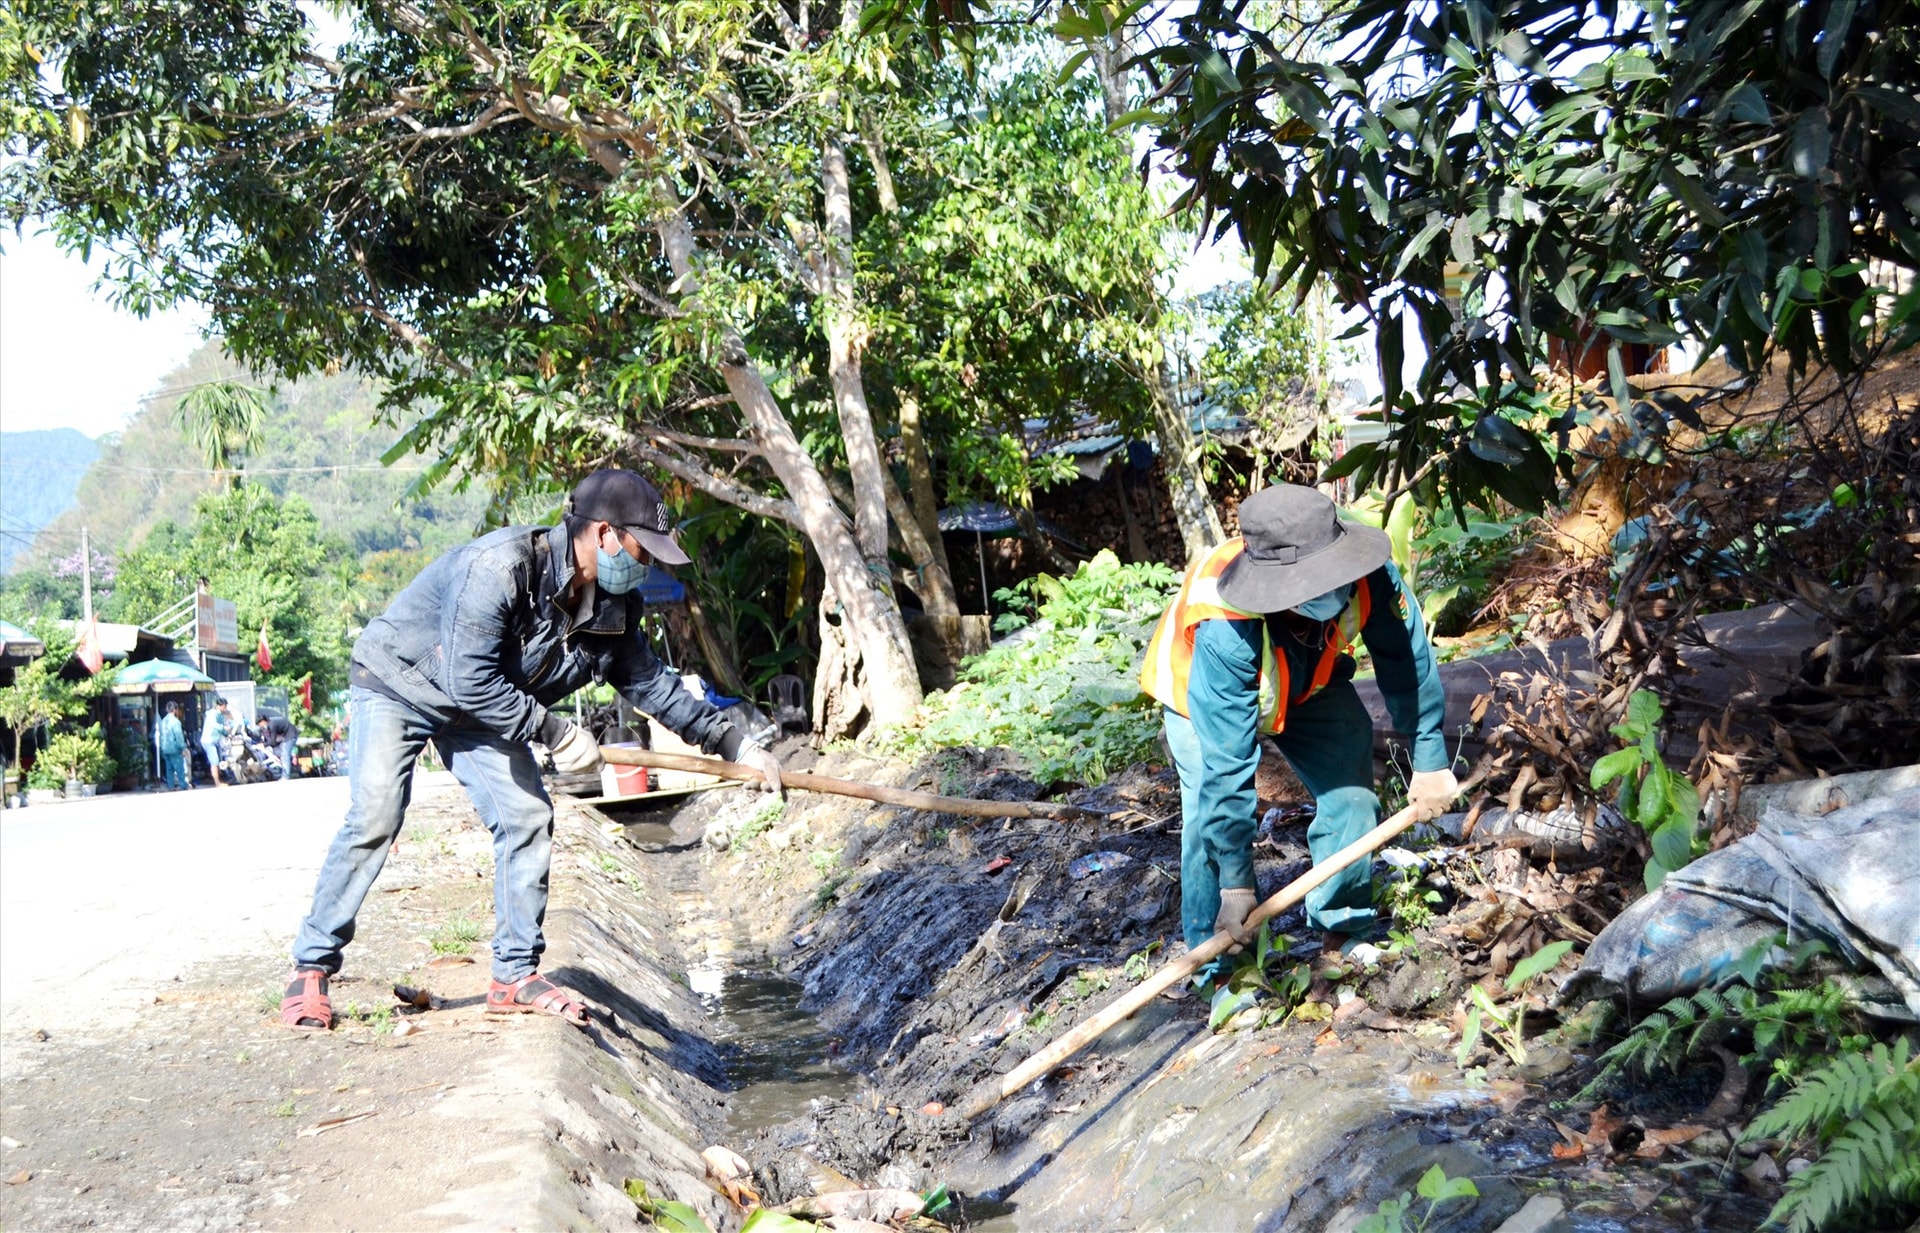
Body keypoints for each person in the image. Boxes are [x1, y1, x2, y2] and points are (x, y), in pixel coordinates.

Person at [281, 469, 785, 1030]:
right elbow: (468, 679)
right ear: (603, 535)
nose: (646, 567)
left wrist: (738, 746)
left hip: (482, 708)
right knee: (377, 814)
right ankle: (311, 967)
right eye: (643, 551)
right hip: (402, 681)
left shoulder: (614, 609)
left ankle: (514, 976)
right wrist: (557, 732)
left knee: (526, 816)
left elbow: (654, 686)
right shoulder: (499, 569)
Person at [1140, 484, 1458, 987]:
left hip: (1308, 677)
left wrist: (1430, 756)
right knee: (1207, 814)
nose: (1325, 591)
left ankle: (1343, 930)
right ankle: (1218, 969)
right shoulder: (1225, 623)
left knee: (1351, 788)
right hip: (1197, 693)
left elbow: (1407, 661)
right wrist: (1238, 886)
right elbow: (1228, 766)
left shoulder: (1369, 573)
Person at [199, 696, 236, 787]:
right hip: (208, 741)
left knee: (218, 760)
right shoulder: (212, 713)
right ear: (218, 706)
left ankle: (220, 779)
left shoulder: (220, 715)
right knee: (214, 761)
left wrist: (228, 734)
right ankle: (217, 783)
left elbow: (221, 728)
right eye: (224, 707)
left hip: (215, 740)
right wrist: (224, 728)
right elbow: (215, 725)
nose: (225, 709)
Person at [157, 702, 190, 791]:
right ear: (175, 710)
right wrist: (183, 748)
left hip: (165, 748)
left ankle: (170, 786)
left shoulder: (163, 721)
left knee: (169, 769)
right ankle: (183, 785)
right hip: (174, 748)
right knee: (179, 768)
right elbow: (178, 736)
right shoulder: (176, 722)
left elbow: (161, 736)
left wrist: (161, 748)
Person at [255, 713, 299, 779]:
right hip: (284, 737)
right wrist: (262, 743)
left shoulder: (272, 725)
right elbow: (267, 739)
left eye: (259, 724)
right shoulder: (267, 727)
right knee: (277, 752)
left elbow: (273, 741)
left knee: (285, 754)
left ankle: (285, 776)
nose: (260, 726)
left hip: (291, 735)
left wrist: (264, 745)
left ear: (263, 721)